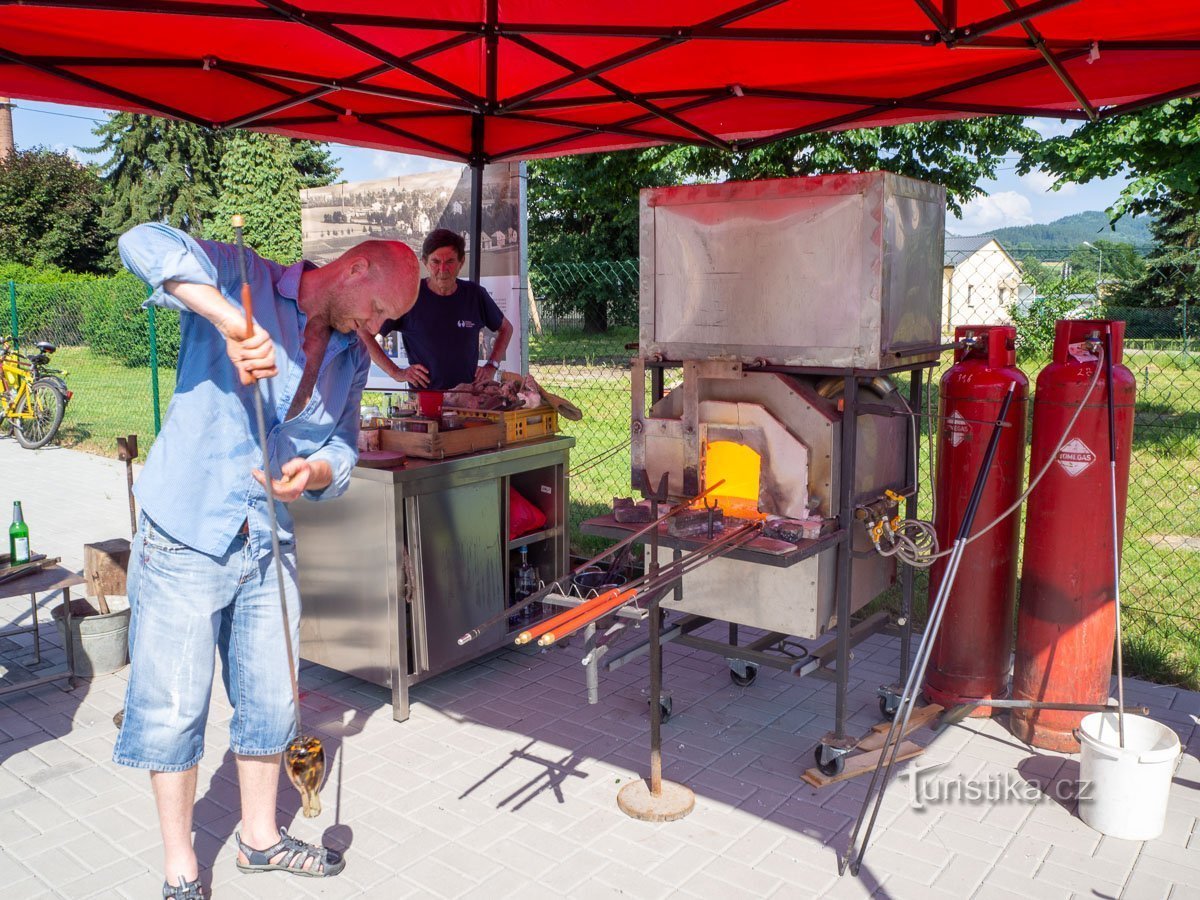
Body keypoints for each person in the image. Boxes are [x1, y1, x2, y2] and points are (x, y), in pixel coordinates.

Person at [114, 223, 420, 899]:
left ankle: (260, 840)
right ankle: (181, 869)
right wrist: (226, 319)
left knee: (270, 700)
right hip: (186, 531)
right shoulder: (240, 274)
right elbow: (140, 242)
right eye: (379, 310)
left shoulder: (352, 354)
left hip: (266, 537)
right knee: (173, 706)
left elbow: (341, 444)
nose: (377, 326)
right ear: (356, 269)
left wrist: (313, 472)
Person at [361, 228, 514, 391]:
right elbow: (364, 334)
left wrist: (492, 365)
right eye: (435, 262)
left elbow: (506, 329)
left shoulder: (475, 295)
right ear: (425, 262)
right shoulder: (409, 295)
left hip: (468, 398)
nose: (442, 270)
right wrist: (396, 372)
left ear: (461, 263)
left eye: (450, 262)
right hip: (424, 401)